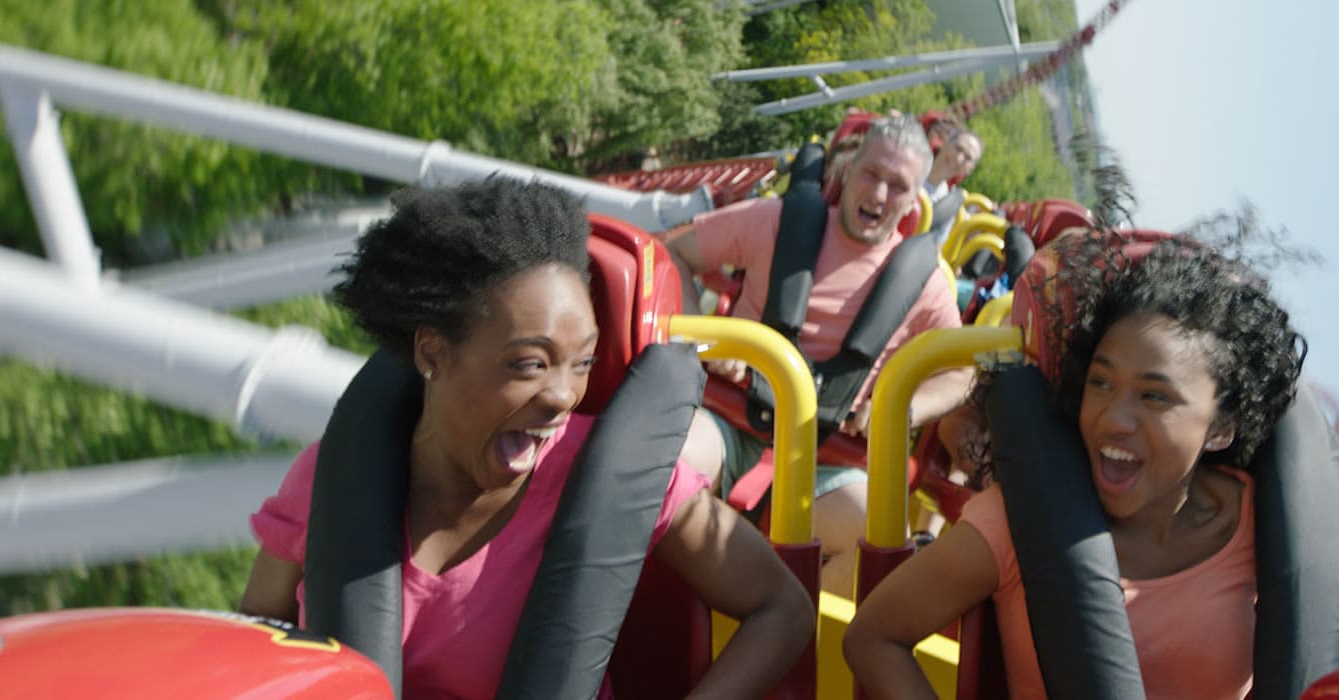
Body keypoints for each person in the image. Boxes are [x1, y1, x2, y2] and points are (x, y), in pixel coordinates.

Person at [238, 178, 813, 699]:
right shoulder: (331, 478)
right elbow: (257, 627)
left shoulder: (612, 477)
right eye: (530, 364)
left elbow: (782, 608)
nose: (564, 395)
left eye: (581, 362)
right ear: (432, 352)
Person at [844, 226, 1339, 698]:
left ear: (1220, 428)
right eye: (1101, 383)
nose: (1113, 418)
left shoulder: (1263, 525)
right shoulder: (1017, 522)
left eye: (1154, 396)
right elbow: (874, 636)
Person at [663, 115, 975, 596]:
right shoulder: (773, 221)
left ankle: (783, 627)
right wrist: (706, 344)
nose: (878, 194)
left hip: (826, 460)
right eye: (871, 174)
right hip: (730, 422)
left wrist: (901, 408)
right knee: (663, 462)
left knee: (884, 545)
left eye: (897, 186)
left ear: (915, 201)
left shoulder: (925, 284)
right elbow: (674, 255)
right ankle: (718, 592)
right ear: (847, 171)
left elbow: (961, 372)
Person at [921, 129, 984, 251]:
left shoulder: (948, 206)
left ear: (969, 170)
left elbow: (934, 249)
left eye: (968, 158)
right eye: (958, 148)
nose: (959, 159)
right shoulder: (909, 165)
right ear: (945, 143)